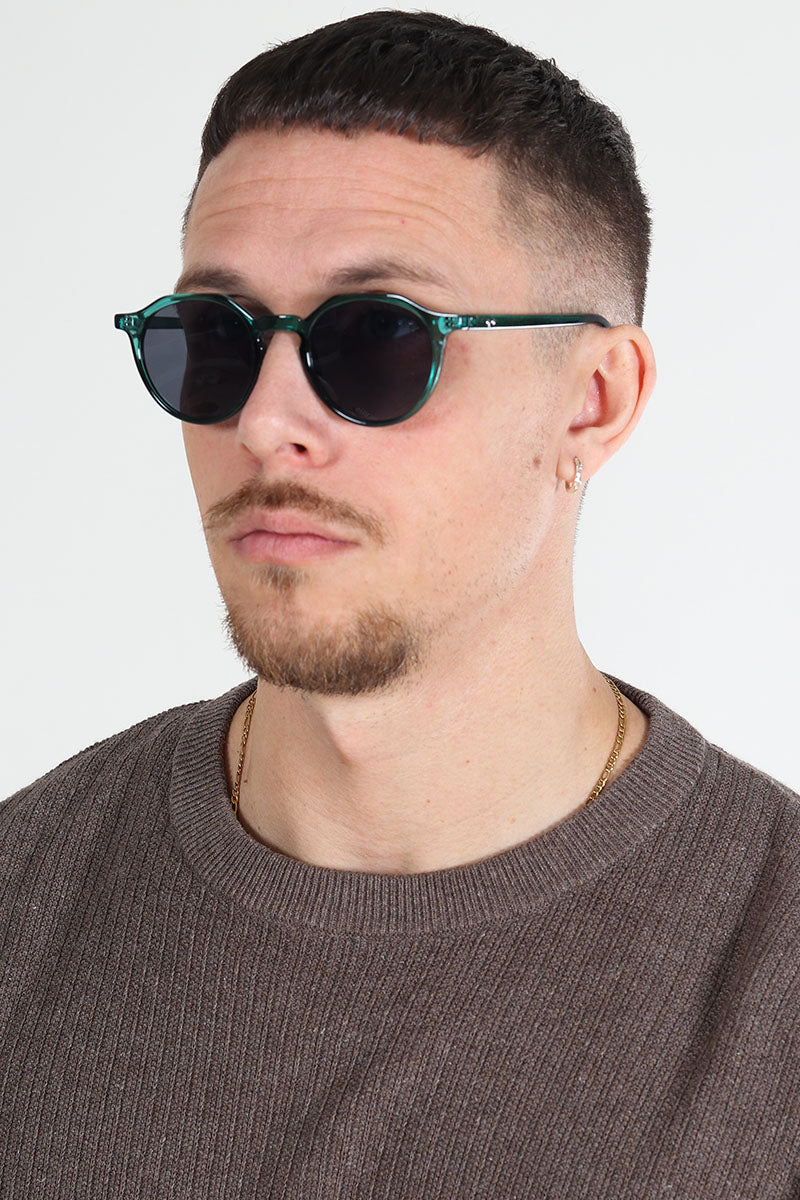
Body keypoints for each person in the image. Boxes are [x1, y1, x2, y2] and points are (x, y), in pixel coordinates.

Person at [1, 10, 798, 1197]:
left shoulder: (769, 986)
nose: (264, 422)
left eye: (375, 341)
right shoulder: (25, 906)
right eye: (212, 340)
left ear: (591, 400)